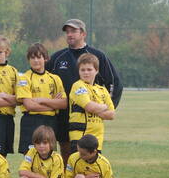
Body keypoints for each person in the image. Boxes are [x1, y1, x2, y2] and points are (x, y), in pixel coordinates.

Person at [48, 19, 122, 160]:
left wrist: (104, 109)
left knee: (90, 155)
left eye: (74, 31)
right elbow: (44, 78)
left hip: (92, 119)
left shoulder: (97, 56)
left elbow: (114, 83)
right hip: (63, 115)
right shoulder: (57, 57)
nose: (69, 34)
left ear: (83, 34)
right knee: (67, 155)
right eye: (67, 32)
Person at [16, 43, 66, 154]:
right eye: (32, 58)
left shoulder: (55, 78)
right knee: (30, 157)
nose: (35, 60)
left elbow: (63, 104)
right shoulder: (24, 78)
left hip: (50, 122)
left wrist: (42, 100)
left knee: (49, 157)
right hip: (31, 121)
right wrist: (53, 105)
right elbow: (29, 105)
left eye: (39, 57)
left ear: (46, 59)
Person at [69, 53, 115, 153]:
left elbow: (111, 114)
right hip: (80, 138)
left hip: (97, 139)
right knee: (80, 167)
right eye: (83, 70)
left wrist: (96, 108)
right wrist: (104, 106)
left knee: (95, 168)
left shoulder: (102, 90)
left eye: (89, 69)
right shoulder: (78, 86)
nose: (86, 73)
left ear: (96, 71)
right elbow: (89, 107)